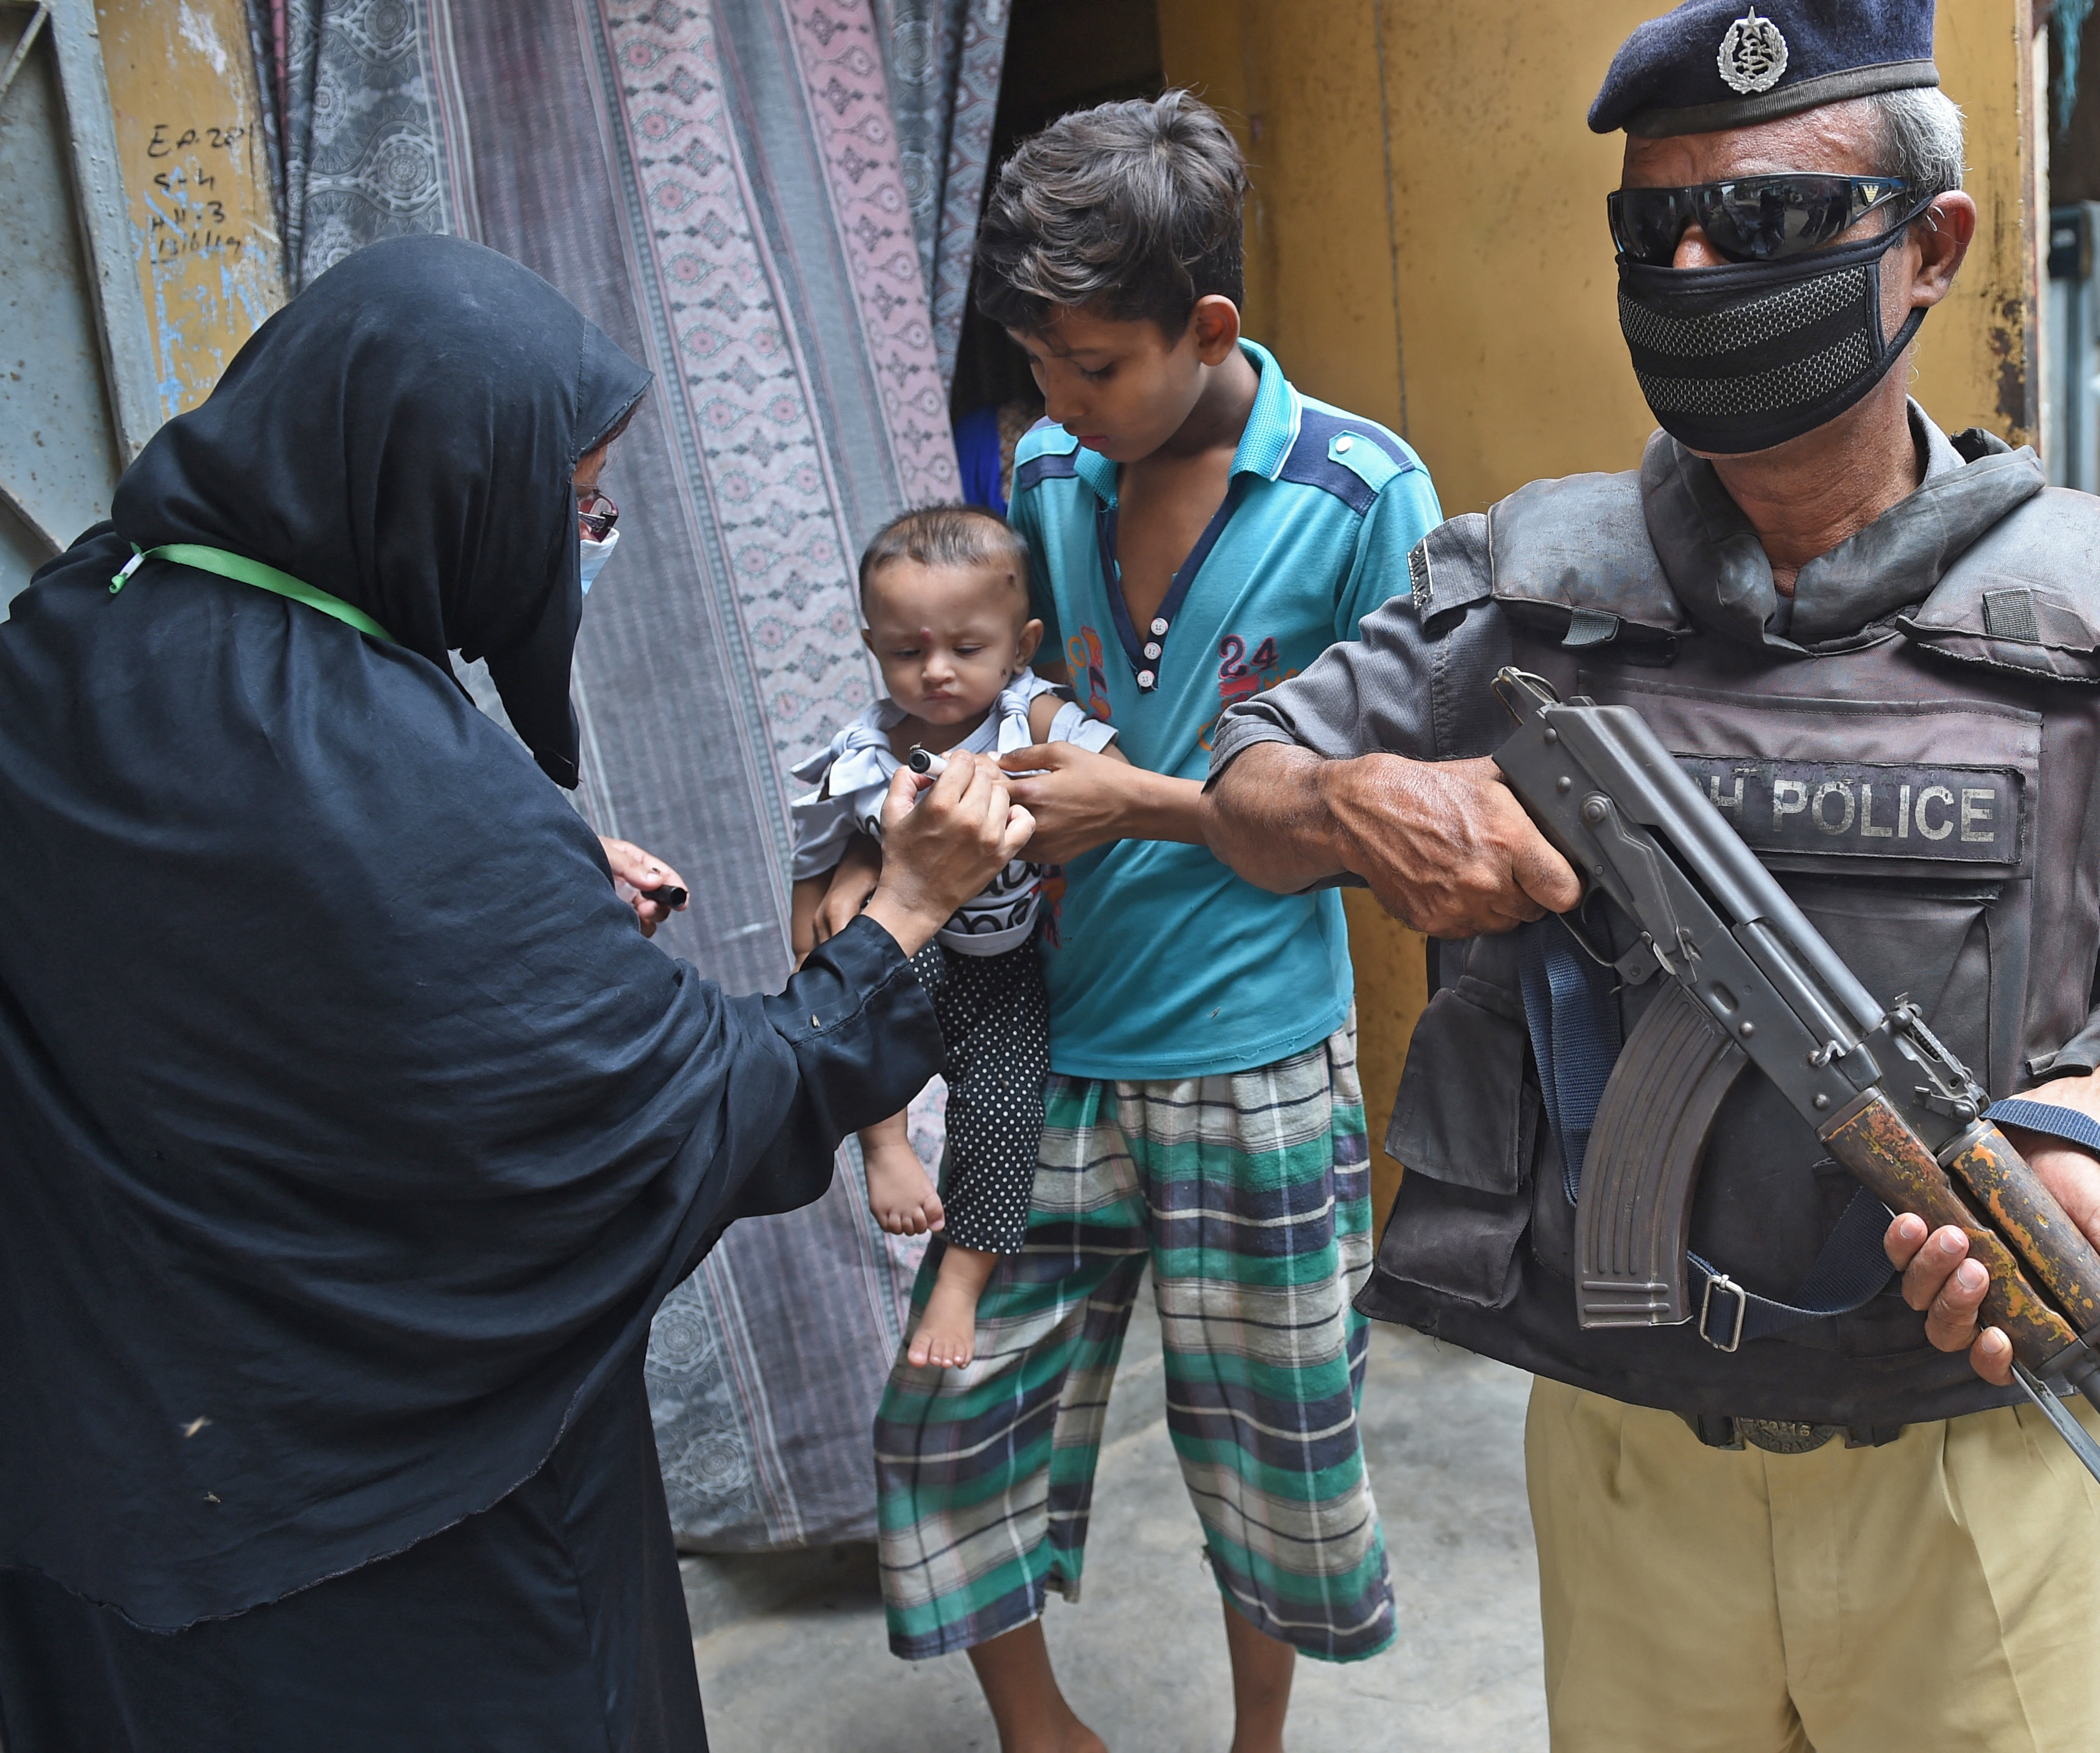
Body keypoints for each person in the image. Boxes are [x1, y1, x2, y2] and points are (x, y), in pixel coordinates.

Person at [1201, 5, 2100, 1749]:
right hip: (1630, 1462)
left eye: (1755, 226)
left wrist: (2086, 1123)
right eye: (1645, 231)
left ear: (1929, 247)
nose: (1688, 268)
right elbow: (1240, 781)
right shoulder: (1523, 587)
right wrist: (1371, 800)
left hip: (1979, 1455)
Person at [0, 235, 1028, 1752]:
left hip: (105, 1459)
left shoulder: (74, 631)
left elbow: (259, 938)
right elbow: (691, 1119)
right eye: (574, 504)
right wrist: (911, 910)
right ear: (439, 477)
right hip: (382, 1530)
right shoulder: (397, 796)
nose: (587, 539)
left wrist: (528, 875)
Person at [861, 91, 1444, 1753]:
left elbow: (1408, 822)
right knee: (946, 1418)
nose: (1053, 405)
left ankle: (1258, 1740)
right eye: (1035, 365)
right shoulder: (1048, 467)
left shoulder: (1359, 496)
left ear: (1209, 327)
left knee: (1265, 1455)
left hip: (1250, 1064)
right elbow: (995, 696)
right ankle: (1044, 1731)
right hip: (1042, 1053)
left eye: (1094, 366)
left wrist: (1157, 805)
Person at [788, 505, 1121, 1368]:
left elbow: (1116, 783)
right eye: (907, 652)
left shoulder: (1031, 720)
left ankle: (961, 1283)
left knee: (1010, 1112)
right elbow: (812, 878)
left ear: (1019, 644)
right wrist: (823, 950)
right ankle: (887, 1148)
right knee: (867, 983)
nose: (935, 673)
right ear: (874, 645)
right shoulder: (864, 755)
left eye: (966, 650)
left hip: (1006, 967)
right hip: (914, 957)